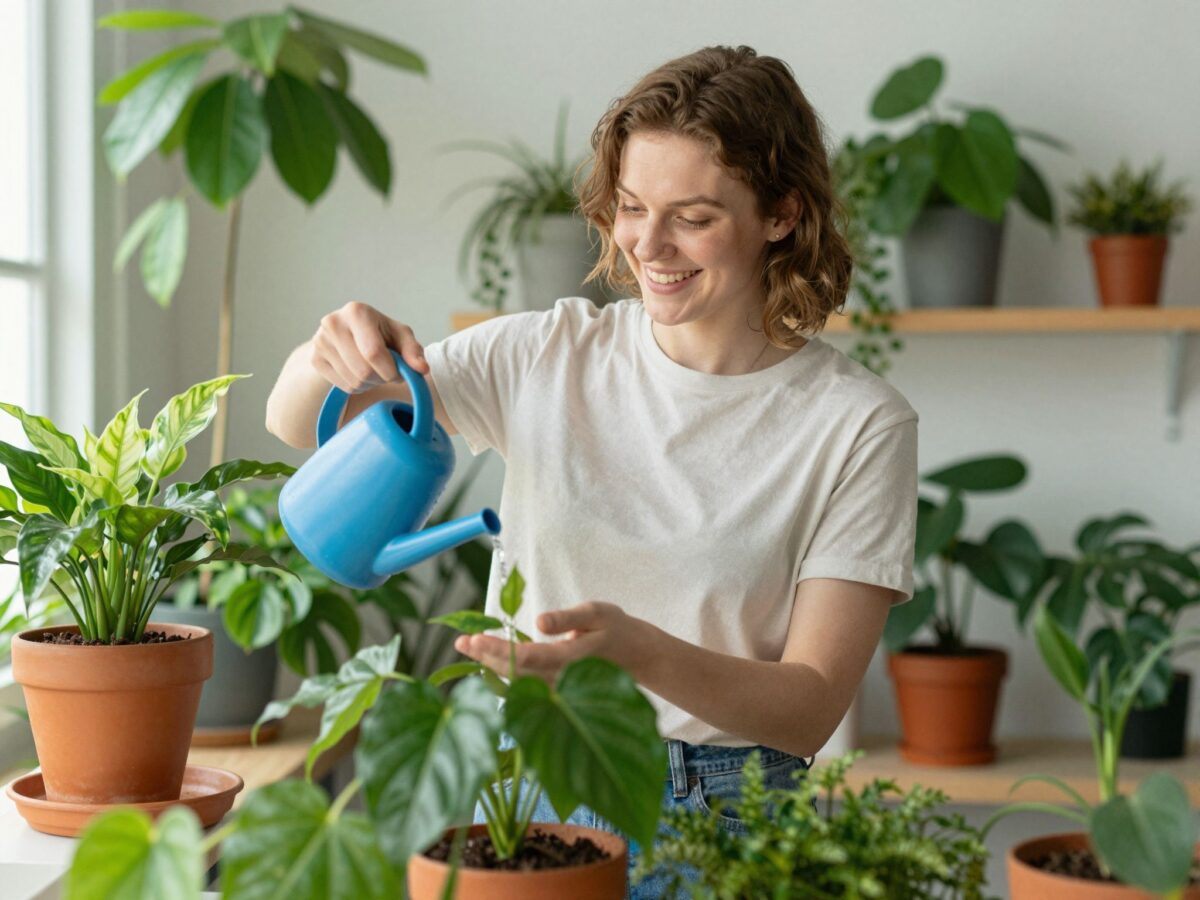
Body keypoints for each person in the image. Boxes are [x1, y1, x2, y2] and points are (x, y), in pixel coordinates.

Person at [266, 44, 917, 897]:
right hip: (520, 790)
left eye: (693, 216)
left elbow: (810, 704)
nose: (649, 244)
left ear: (782, 214)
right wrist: (331, 349)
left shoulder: (858, 423)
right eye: (632, 206)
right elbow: (292, 422)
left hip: (725, 813)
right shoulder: (546, 353)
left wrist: (636, 651)